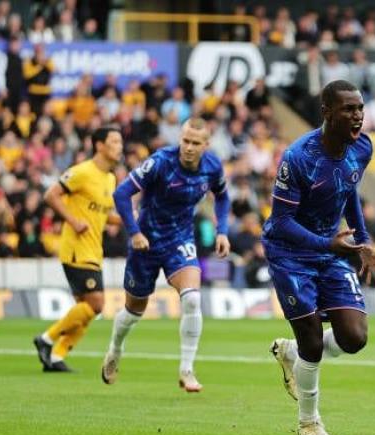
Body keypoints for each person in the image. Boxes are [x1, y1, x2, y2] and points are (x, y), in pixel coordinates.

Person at [264, 80, 375, 435]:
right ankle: (308, 423)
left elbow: (349, 191)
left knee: (355, 337)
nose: (357, 116)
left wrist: (362, 240)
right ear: (327, 112)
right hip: (290, 253)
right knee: (313, 342)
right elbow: (282, 222)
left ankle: (290, 353)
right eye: (349, 109)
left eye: (360, 108)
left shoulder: (361, 147)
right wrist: (329, 245)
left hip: (331, 248)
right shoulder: (299, 158)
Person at [101, 118, 230, 393]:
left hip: (179, 240)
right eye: (185, 141)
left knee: (193, 298)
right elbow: (121, 194)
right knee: (133, 312)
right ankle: (115, 349)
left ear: (206, 145)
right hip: (145, 243)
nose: (189, 147)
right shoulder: (161, 162)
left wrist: (223, 231)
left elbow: (223, 196)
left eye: (196, 143)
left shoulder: (212, 166)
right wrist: (134, 232)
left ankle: (187, 369)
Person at [33, 126, 123, 372]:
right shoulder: (83, 172)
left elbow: (103, 215)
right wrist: (72, 221)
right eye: (114, 141)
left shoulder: (110, 178)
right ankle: (47, 339)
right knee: (96, 304)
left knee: (86, 310)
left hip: (94, 249)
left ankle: (56, 357)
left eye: (121, 142)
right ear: (99, 145)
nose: (120, 146)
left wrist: (127, 219)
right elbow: (51, 195)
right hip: (76, 249)